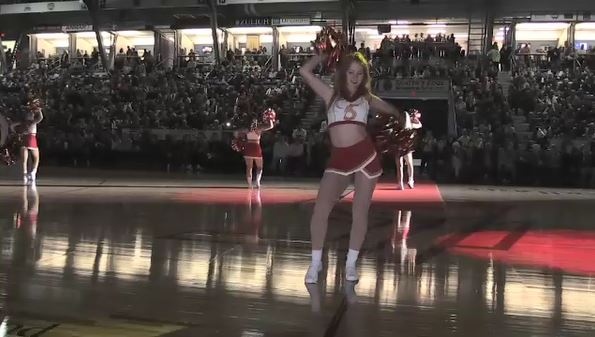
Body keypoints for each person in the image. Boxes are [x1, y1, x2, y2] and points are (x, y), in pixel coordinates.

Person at [299, 52, 401, 283]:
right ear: (343, 73)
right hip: (339, 159)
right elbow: (304, 72)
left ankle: (351, 265)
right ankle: (315, 264)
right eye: (351, 72)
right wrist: (320, 54)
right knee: (321, 210)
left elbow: (393, 111)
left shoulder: (368, 98)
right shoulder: (330, 94)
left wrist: (403, 121)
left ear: (364, 76)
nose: (355, 77)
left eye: (360, 73)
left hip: (365, 156)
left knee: (360, 212)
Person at [237, 117, 274, 188]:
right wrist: (271, 119)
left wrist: (240, 139)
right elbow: (271, 126)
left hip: (248, 147)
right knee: (259, 167)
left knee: (249, 167)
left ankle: (250, 184)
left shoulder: (246, 130)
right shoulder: (258, 129)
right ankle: (257, 182)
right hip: (256, 147)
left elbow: (236, 133)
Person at [16, 94, 43, 184]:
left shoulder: (24, 111)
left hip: (24, 133)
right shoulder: (34, 111)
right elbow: (40, 118)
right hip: (30, 134)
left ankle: (25, 174)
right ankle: (33, 172)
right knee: (36, 156)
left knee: (24, 157)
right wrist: (32, 122)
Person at [396, 110, 422, 189]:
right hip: (401, 146)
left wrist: (415, 118)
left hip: (404, 146)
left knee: (402, 165)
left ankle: (406, 181)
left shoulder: (409, 125)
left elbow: (419, 125)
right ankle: (407, 181)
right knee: (407, 164)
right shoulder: (401, 125)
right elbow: (419, 125)